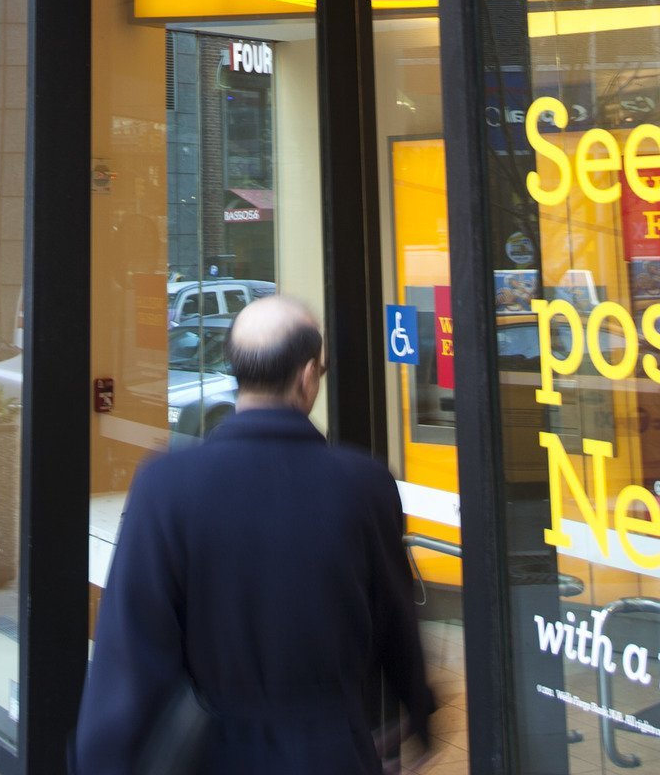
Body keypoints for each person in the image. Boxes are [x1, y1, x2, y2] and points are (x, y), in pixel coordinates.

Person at [74, 294, 437, 774]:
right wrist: (419, 713)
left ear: (236, 372)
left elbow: (131, 649)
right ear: (308, 376)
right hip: (334, 755)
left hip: (213, 758)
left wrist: (102, 758)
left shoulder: (166, 485)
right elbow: (397, 622)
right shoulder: (365, 483)